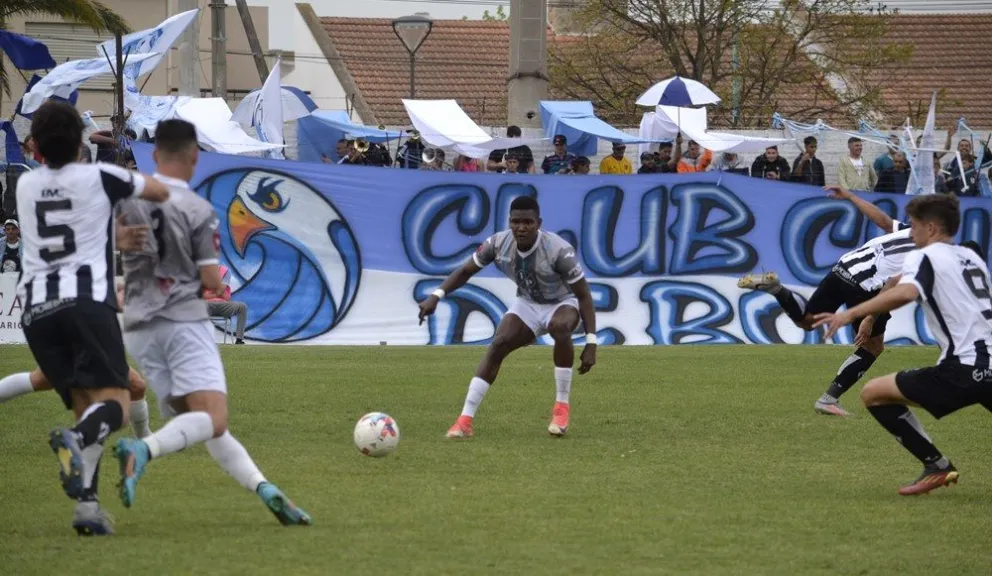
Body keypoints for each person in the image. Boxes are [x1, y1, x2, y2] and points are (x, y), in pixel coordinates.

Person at [112, 119, 311, 527]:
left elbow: (118, 250)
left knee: (203, 424)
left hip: (139, 329)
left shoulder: (130, 203)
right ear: (194, 156)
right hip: (182, 321)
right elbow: (209, 281)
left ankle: (265, 489)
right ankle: (143, 449)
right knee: (213, 419)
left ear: (156, 154)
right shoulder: (198, 209)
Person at [15, 101, 169, 535]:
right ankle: (75, 442)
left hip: (37, 310)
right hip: (84, 301)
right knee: (116, 405)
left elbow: (65, 224)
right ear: (82, 140)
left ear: (37, 148)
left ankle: (87, 509)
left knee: (86, 406)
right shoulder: (101, 176)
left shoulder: (26, 186)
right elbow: (157, 192)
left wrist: (110, 233)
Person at [813, 194, 992, 496]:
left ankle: (936, 464)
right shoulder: (971, 258)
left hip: (964, 367)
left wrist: (852, 313)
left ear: (932, 228)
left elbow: (905, 290)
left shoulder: (924, 256)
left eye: (916, 226)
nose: (912, 232)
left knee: (874, 393)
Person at [417, 196, 598, 438]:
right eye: (516, 222)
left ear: (538, 223)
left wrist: (591, 343)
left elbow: (584, 296)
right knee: (499, 344)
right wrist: (437, 296)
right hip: (528, 303)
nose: (521, 227)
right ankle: (464, 421)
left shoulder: (559, 250)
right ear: (509, 222)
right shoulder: (497, 243)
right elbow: (464, 271)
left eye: (527, 222)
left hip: (562, 302)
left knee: (560, 327)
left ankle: (561, 407)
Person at [738, 185, 920, 416]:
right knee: (872, 346)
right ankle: (828, 399)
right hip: (865, 284)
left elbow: (882, 220)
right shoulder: (925, 252)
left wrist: (851, 196)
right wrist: (871, 317)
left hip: (843, 267)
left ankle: (777, 289)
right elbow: (893, 282)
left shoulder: (908, 231)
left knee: (807, 321)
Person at [206, 263, 247, 344]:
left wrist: (213, 290)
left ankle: (239, 340)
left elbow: (225, 296)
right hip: (206, 305)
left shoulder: (224, 271)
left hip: (223, 305)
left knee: (242, 307)